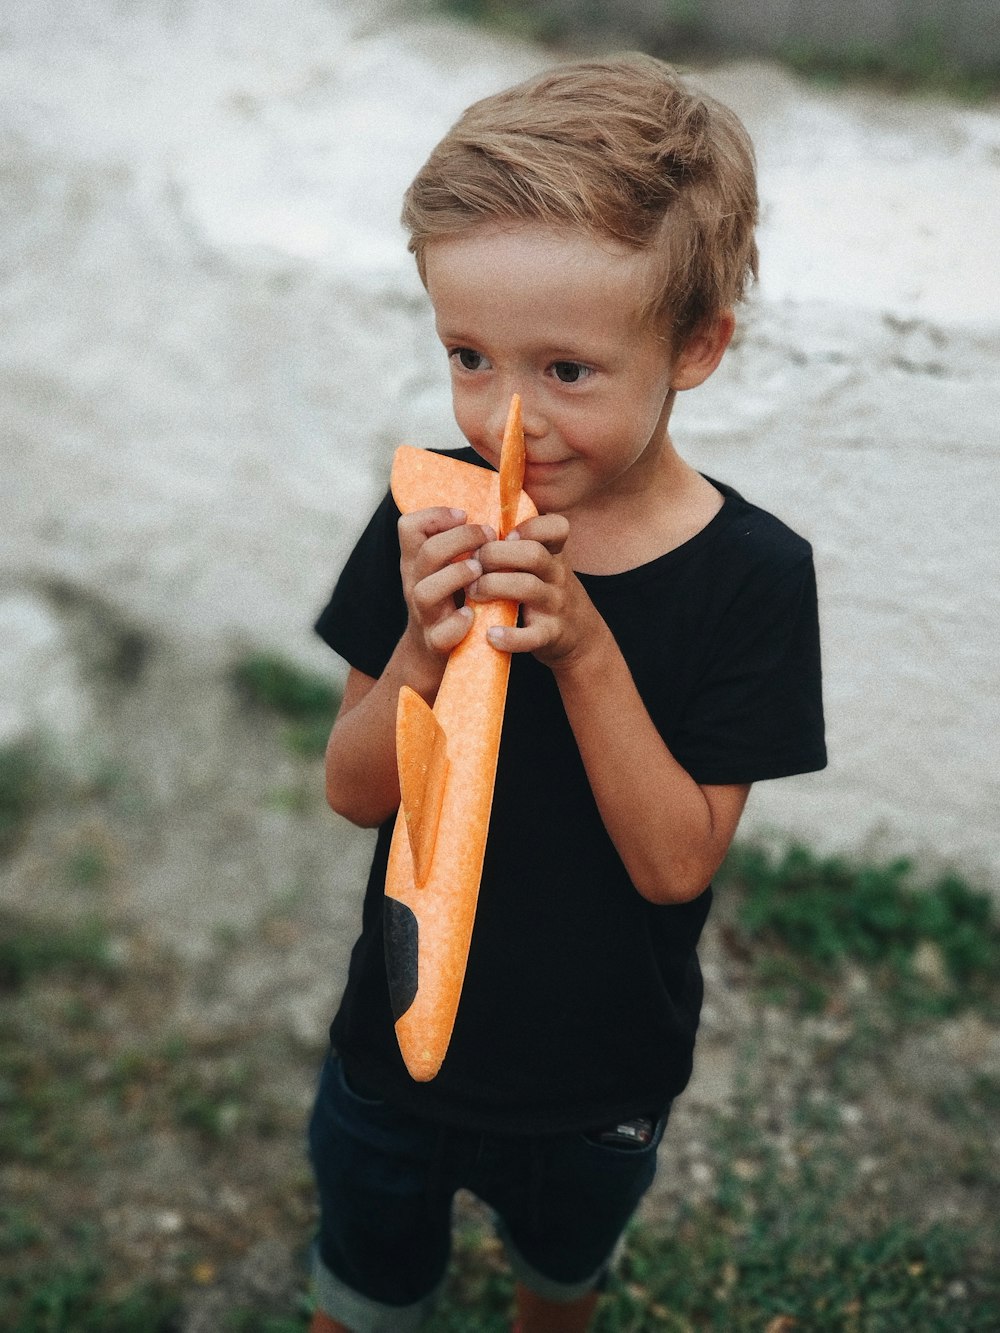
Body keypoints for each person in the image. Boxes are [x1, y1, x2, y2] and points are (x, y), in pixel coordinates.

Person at [307, 52, 826, 1333]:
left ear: (695, 346)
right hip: (395, 1043)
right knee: (363, 1291)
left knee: (561, 1283)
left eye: (568, 373)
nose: (506, 425)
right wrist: (426, 651)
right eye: (469, 356)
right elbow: (351, 788)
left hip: (600, 1075)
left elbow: (675, 866)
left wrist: (584, 649)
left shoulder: (752, 577)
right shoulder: (426, 510)